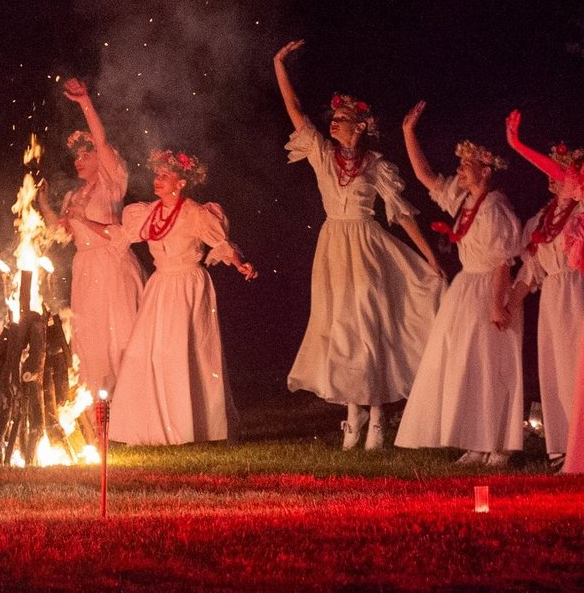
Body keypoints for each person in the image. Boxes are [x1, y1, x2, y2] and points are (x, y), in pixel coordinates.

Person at [273, 40, 445, 450]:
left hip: (366, 243)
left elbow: (402, 214)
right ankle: (353, 415)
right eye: (333, 118)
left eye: (343, 118)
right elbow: (295, 110)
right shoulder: (320, 154)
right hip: (333, 243)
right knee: (341, 327)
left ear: (361, 126)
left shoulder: (377, 166)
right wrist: (280, 64)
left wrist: (430, 258)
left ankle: (380, 416)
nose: (334, 123)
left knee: (368, 322)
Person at [395, 102, 523, 467]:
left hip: (489, 288)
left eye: (465, 165)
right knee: (464, 362)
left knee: (490, 363)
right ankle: (474, 441)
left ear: (484, 169)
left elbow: (503, 261)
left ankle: (496, 443)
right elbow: (426, 177)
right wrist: (408, 134)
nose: (458, 170)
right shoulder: (465, 200)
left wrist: (498, 303)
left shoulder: (495, 208)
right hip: (466, 287)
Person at [105, 150, 256, 445]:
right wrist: (83, 223)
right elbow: (122, 234)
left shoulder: (196, 214)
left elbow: (222, 245)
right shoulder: (147, 213)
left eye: (165, 175)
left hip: (188, 284)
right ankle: (146, 428)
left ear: (181, 182)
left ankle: (189, 426)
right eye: (157, 174)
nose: (157, 180)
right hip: (160, 285)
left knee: (181, 353)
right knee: (148, 352)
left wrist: (240, 264)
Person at [36, 78, 144, 394]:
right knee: (91, 334)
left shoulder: (112, 181)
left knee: (117, 330)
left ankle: (129, 394)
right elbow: (62, 232)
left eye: (86, 155)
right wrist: (43, 205)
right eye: (77, 157)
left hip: (111, 264)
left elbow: (101, 140)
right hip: (85, 267)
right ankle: (98, 397)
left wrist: (85, 103)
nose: (78, 161)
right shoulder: (76, 194)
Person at [505, 109, 584, 475]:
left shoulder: (579, 213)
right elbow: (531, 271)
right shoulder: (541, 220)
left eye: (564, 174)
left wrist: (518, 144)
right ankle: (560, 447)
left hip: (578, 290)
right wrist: (509, 302)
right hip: (553, 295)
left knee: (575, 368)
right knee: (553, 369)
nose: (556, 178)